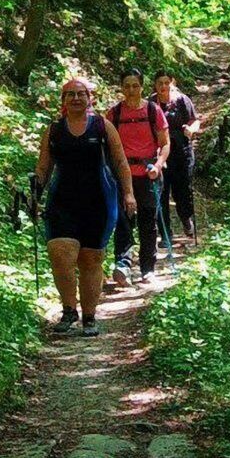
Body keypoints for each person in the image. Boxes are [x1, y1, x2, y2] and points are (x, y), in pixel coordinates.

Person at [35, 77, 136, 337]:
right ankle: (69, 310)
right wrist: (34, 192)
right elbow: (44, 168)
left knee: (91, 259)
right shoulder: (54, 130)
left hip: (99, 201)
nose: (76, 99)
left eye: (81, 94)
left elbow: (121, 162)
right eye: (71, 95)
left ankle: (89, 316)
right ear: (63, 101)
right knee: (59, 252)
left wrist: (128, 194)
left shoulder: (103, 126)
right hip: (62, 201)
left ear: (89, 98)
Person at [105, 68, 169, 287]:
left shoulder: (153, 111)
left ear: (142, 87)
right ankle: (122, 265)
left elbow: (165, 143)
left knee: (148, 222)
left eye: (135, 85)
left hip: (149, 174)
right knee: (123, 221)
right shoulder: (114, 114)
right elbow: (108, 147)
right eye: (127, 86)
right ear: (121, 88)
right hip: (122, 177)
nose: (131, 90)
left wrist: (159, 165)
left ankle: (147, 268)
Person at [149, 69, 200, 242]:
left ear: (172, 83)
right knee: (162, 194)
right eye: (160, 83)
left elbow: (195, 120)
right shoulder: (151, 104)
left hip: (182, 154)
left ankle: (186, 219)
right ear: (155, 85)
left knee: (182, 192)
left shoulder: (181, 100)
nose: (163, 86)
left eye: (166, 83)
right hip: (160, 155)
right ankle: (165, 234)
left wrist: (190, 129)